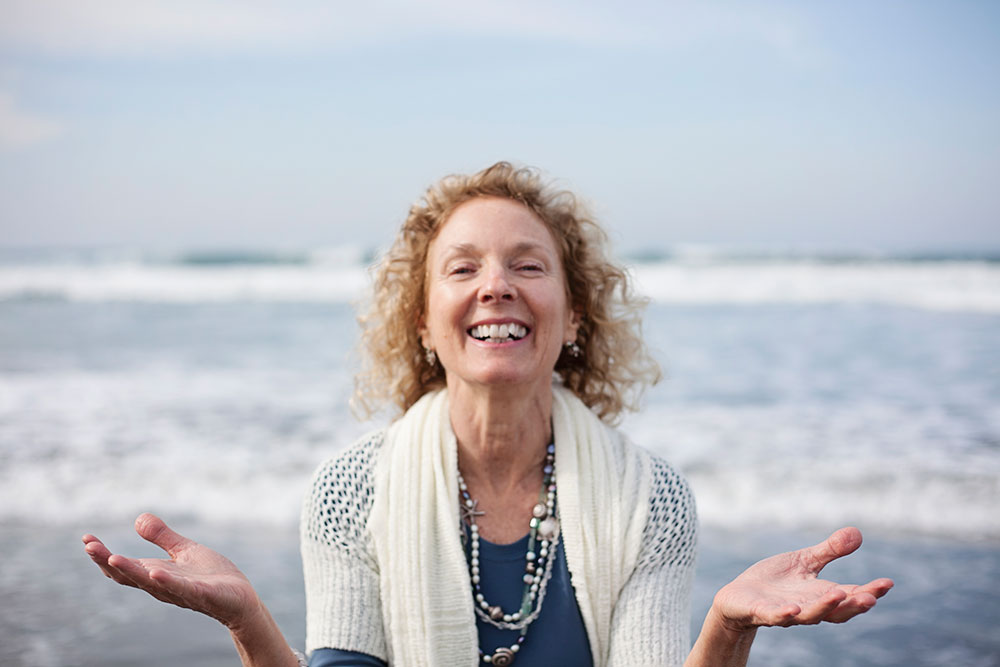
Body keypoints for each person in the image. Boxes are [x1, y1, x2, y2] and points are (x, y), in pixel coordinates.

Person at [82, 161, 893, 667]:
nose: (496, 284)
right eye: (463, 267)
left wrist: (725, 629)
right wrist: (251, 622)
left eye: (528, 264)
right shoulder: (348, 490)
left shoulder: (651, 497)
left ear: (574, 317)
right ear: (426, 323)